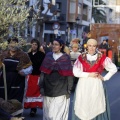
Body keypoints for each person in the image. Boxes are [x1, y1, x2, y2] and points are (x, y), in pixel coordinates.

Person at [72, 39, 117, 120]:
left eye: (94, 46)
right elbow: (75, 72)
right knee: (83, 103)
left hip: (96, 84)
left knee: (96, 103)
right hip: (83, 84)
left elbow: (114, 69)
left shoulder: (101, 57)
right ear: (87, 46)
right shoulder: (81, 57)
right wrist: (89, 74)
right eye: (90, 45)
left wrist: (104, 78)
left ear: (96, 47)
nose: (92, 48)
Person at [39, 38, 73, 120]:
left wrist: (69, 89)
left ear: (61, 46)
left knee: (58, 114)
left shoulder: (65, 58)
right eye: (53, 44)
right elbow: (43, 72)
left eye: (56, 44)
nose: (54, 46)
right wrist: (41, 86)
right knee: (48, 113)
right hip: (48, 88)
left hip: (61, 88)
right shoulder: (48, 56)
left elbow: (69, 74)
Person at [0, 38, 33, 114]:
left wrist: (23, 72)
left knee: (16, 102)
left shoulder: (23, 55)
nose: (13, 45)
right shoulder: (3, 54)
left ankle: (17, 117)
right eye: (11, 43)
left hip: (18, 82)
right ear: (8, 45)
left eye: (15, 43)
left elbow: (30, 68)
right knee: (4, 102)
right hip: (4, 82)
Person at [24, 39, 45, 117]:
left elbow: (43, 66)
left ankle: (33, 109)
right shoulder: (27, 55)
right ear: (31, 45)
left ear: (38, 46)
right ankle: (28, 106)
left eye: (35, 44)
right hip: (29, 76)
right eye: (32, 44)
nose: (34, 46)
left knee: (36, 93)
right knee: (28, 92)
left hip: (37, 76)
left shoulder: (41, 55)